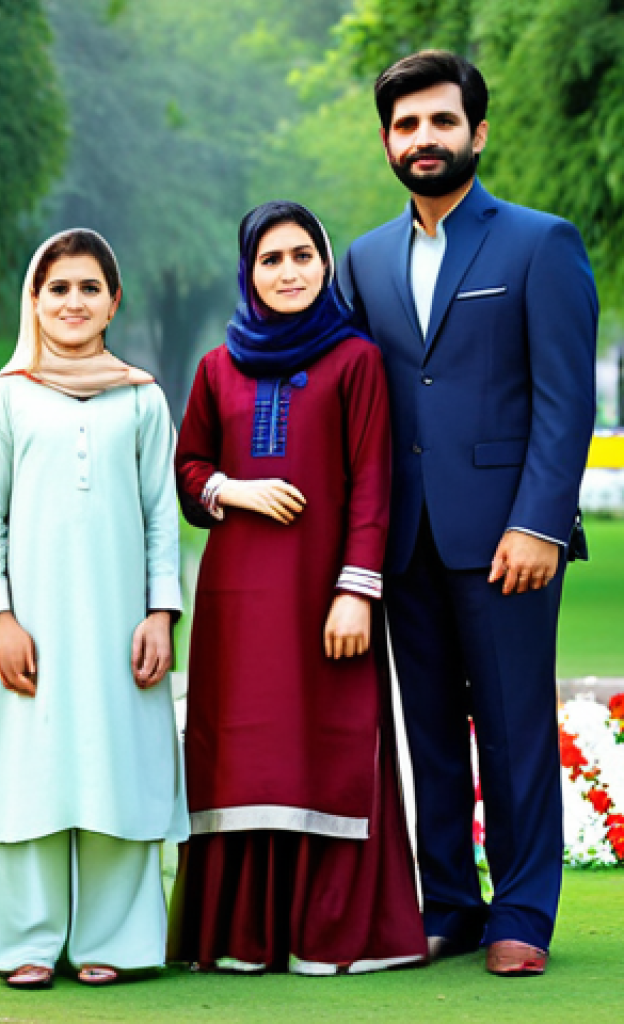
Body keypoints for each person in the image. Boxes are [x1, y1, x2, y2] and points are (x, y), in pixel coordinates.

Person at [338, 51, 598, 977]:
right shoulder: (361, 260)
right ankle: (448, 904)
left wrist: (538, 521)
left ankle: (524, 913)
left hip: (507, 541)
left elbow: (568, 401)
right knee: (431, 734)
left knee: (516, 728)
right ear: (387, 142)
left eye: (441, 123)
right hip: (404, 537)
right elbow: (351, 396)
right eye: (406, 127)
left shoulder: (541, 243)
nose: (423, 140)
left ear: (476, 134)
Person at [169, 200, 427, 975]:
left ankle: (329, 935)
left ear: (325, 264)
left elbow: (374, 484)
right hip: (237, 603)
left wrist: (357, 591)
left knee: (327, 744)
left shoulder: (355, 360)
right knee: (241, 755)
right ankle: (241, 935)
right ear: (247, 271)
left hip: (324, 596)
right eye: (270, 259)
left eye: (303, 256)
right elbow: (186, 474)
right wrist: (234, 490)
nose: (288, 272)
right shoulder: (219, 365)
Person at [0, 229, 187, 989]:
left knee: (117, 764)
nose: (74, 302)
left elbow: (161, 515)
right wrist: (0, 619)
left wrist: (161, 613)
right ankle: (23, 939)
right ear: (35, 299)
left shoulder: (143, 398)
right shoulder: (5, 397)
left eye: (90, 287)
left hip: (122, 625)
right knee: (31, 766)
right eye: (58, 288)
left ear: (114, 302)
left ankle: (112, 941)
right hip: (34, 627)